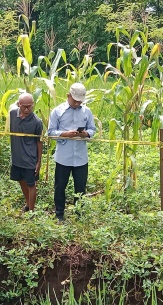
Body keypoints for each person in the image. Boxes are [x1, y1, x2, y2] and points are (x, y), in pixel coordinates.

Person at [47, 83, 97, 222]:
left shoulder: (87, 112)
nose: (76, 103)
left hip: (81, 157)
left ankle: (79, 213)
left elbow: (93, 130)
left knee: (80, 187)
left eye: (79, 101)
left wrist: (86, 134)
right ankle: (59, 214)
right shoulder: (57, 111)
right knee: (60, 186)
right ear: (68, 96)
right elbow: (50, 132)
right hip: (63, 156)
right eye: (74, 100)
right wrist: (65, 134)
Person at [9, 93, 43, 212]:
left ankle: (32, 212)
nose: (27, 109)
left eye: (30, 106)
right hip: (17, 157)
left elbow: (39, 142)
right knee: (21, 180)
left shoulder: (37, 122)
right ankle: (28, 205)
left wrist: (39, 161)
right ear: (19, 105)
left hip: (30, 159)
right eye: (24, 106)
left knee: (31, 184)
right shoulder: (13, 114)